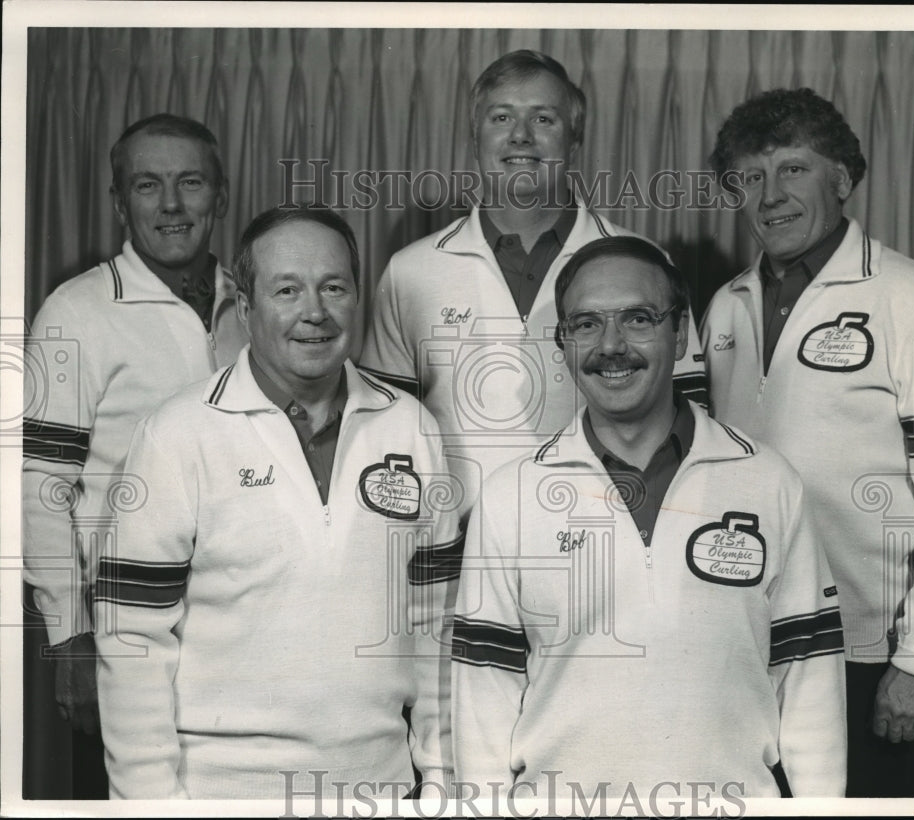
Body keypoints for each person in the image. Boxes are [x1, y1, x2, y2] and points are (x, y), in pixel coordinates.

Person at [451, 236, 847, 802]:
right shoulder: (511, 495)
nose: (611, 346)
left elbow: (810, 683)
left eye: (637, 318)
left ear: (679, 332)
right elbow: (482, 698)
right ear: (563, 343)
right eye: (585, 324)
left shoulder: (767, 481)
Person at [93, 207, 461, 799]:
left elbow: (436, 626)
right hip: (221, 794)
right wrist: (149, 807)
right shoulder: (178, 433)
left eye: (333, 287)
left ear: (357, 297)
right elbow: (131, 639)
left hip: (380, 788)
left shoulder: (409, 426)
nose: (314, 311)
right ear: (245, 307)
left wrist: (442, 781)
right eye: (286, 289)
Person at [701, 88, 914, 798]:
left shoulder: (907, 294)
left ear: (843, 180)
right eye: (751, 177)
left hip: (863, 652)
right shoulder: (726, 305)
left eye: (793, 169)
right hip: (741, 645)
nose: (770, 195)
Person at [360, 50, 706, 517]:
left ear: (574, 139)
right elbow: (383, 430)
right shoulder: (409, 270)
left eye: (543, 118)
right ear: (474, 136)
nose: (520, 135)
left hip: (602, 545)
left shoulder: (643, 263)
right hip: (458, 557)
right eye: (501, 116)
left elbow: (690, 420)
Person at [21, 113, 245, 797]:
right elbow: (40, 485)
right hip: (123, 634)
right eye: (149, 186)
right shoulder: (77, 310)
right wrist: (68, 636)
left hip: (238, 625)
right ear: (120, 201)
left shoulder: (257, 302)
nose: (172, 206)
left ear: (221, 194)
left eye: (190, 183)